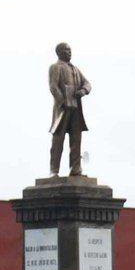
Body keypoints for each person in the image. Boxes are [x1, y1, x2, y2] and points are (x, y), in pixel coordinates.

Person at [48, 42, 91, 177]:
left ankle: (75, 168)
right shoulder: (55, 67)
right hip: (63, 109)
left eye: (70, 50)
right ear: (59, 52)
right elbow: (53, 87)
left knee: (76, 139)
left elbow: (87, 83)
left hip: (76, 109)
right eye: (66, 50)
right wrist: (63, 100)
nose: (69, 52)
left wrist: (83, 90)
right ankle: (54, 170)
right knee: (58, 140)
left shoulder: (75, 69)